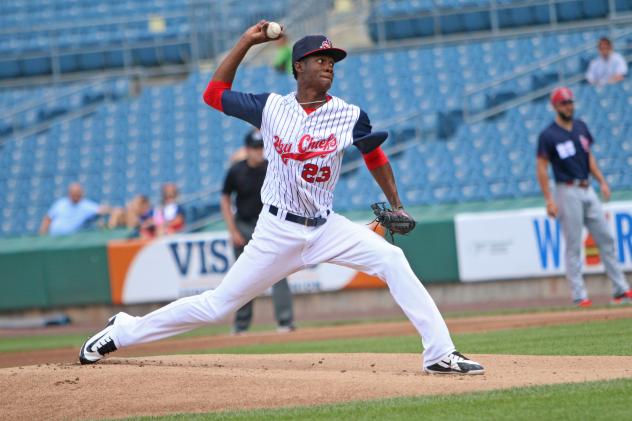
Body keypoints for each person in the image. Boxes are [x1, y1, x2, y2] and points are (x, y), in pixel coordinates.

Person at [79, 21, 484, 375]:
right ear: (298, 67)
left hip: (326, 227)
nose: (328, 64)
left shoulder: (349, 114)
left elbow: (374, 155)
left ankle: (439, 354)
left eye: (332, 60)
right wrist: (245, 41)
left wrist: (395, 203)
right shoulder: (270, 108)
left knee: (392, 259)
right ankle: (124, 330)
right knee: (218, 306)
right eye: (319, 58)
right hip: (276, 230)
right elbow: (213, 93)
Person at [536, 87, 632, 307]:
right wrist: (549, 199)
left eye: (570, 102)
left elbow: (589, 158)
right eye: (564, 103)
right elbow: (541, 168)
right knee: (573, 244)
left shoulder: (581, 127)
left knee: (606, 237)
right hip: (566, 189)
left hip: (587, 187)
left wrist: (602, 181)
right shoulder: (548, 135)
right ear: (555, 106)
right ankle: (579, 295)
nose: (568, 106)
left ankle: (621, 289)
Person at [221, 128, 295, 334]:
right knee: (244, 277)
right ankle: (241, 326)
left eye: (261, 147)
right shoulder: (236, 170)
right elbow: (225, 198)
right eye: (254, 148)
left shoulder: (273, 168)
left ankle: (285, 322)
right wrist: (232, 229)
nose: (258, 151)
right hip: (243, 226)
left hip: (268, 227)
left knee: (279, 272)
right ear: (246, 150)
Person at [39, 183, 110, 236]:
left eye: (77, 193)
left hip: (72, 241)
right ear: (69, 193)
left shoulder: (86, 205)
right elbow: (48, 219)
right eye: (73, 193)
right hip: (54, 239)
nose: (75, 196)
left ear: (81, 193)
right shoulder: (61, 203)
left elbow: (103, 210)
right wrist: (42, 235)